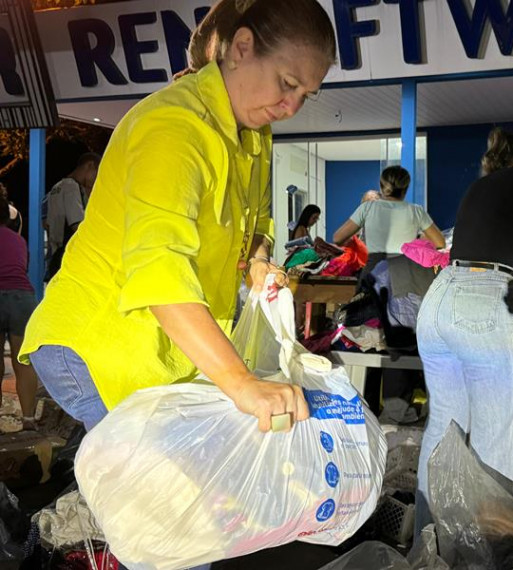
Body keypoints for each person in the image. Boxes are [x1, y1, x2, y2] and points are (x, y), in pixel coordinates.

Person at [20, 0, 337, 444]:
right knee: (146, 498)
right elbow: (159, 271)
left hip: (165, 350)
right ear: (242, 47)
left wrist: (259, 261)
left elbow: (257, 221)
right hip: (101, 344)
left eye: (306, 93)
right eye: (287, 83)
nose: (291, 107)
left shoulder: (254, 131)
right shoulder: (174, 127)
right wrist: (242, 384)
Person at [413, 129, 513, 538]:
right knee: (493, 438)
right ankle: (491, 550)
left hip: (439, 301)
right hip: (481, 303)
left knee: (443, 430)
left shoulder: (481, 189)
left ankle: (426, 543)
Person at [333, 166, 445, 273]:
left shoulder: (367, 208)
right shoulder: (416, 210)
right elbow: (440, 242)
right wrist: (416, 239)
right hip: (404, 273)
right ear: (405, 188)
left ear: (381, 186)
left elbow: (338, 238)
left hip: (374, 273)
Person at [0, 195, 38, 431]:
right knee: (23, 361)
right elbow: (22, 267)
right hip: (23, 298)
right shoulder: (18, 240)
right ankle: (28, 420)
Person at [44, 153, 101, 280]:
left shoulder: (57, 187)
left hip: (54, 253)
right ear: (90, 165)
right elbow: (77, 224)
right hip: (67, 254)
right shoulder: (72, 187)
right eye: (97, 174)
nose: (96, 180)